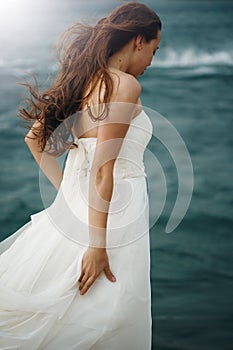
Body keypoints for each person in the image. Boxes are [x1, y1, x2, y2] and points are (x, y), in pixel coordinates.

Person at [0, 1, 161, 349]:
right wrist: (98, 245)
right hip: (113, 222)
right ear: (138, 40)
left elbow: (34, 141)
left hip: (81, 211)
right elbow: (105, 170)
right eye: (154, 49)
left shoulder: (82, 81)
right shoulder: (125, 85)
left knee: (81, 316)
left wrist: (68, 196)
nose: (152, 60)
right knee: (110, 316)